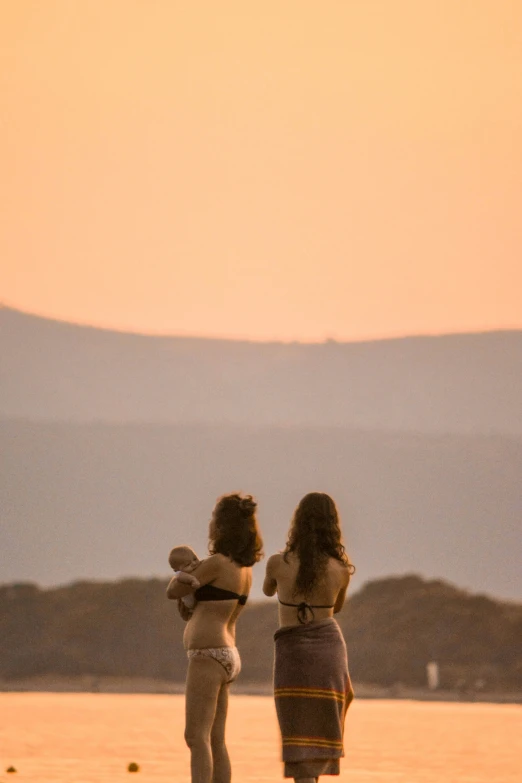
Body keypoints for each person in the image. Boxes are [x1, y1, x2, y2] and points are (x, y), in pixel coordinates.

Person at [167, 493, 263, 783]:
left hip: (208, 652)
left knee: (195, 737)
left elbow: (174, 590)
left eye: (213, 518)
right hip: (229, 653)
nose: (209, 523)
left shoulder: (216, 563)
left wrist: (179, 574)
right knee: (216, 740)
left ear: (222, 526)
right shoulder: (245, 569)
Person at [263, 492, 355, 782]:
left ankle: (306, 775)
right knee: (335, 702)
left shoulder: (278, 563)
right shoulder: (340, 569)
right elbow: (335, 608)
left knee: (296, 714)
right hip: (328, 643)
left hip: (293, 648)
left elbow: (268, 590)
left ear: (298, 523)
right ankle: (316, 768)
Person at [168, 544, 201, 609]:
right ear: (177, 570)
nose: (194, 563)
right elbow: (182, 577)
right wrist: (193, 580)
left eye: (195, 559)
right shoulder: (179, 574)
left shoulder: (197, 567)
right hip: (190, 603)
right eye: (188, 564)